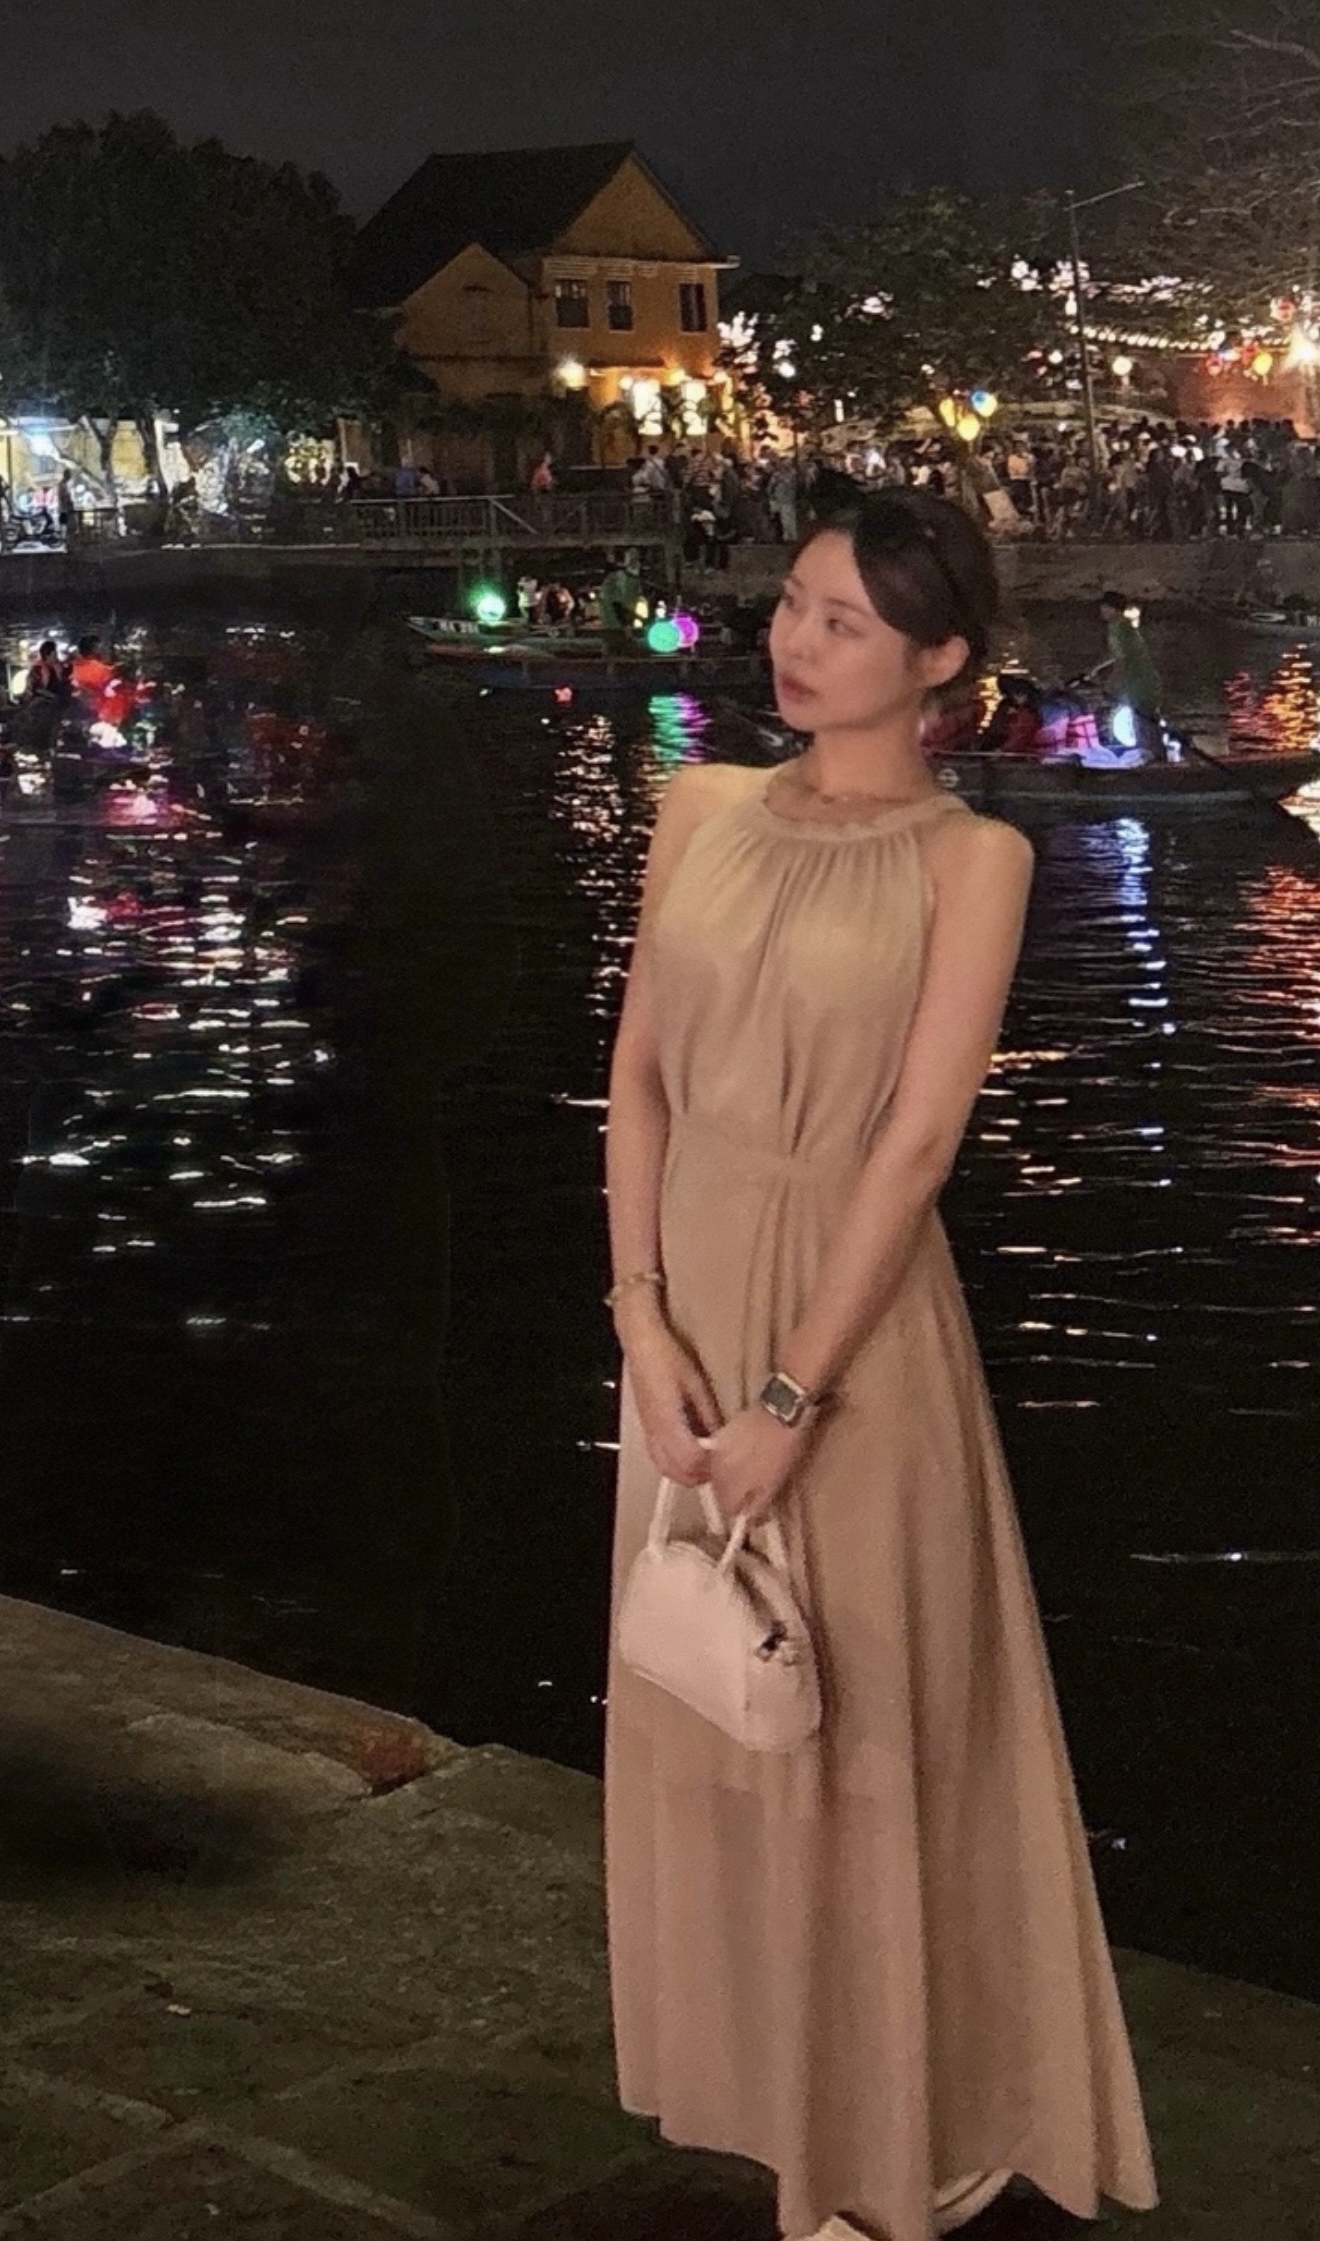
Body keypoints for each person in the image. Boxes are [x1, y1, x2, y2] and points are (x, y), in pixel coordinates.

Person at [603, 488, 1158, 2241]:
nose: (795, 639)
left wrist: (791, 1394)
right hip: (685, 1310)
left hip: (850, 1333)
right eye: (792, 602)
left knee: (866, 1720)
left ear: (939, 661)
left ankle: (896, 2130)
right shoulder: (698, 806)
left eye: (843, 620)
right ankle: (777, 2095)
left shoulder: (971, 860)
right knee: (716, 1700)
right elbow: (639, 1076)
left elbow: (916, 1147)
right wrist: (639, 1315)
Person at [1089, 592, 1164, 760]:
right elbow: (1116, 654)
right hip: (1147, 680)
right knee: (1149, 721)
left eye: (1104, 607)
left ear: (1113, 609)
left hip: (1137, 682)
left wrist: (1110, 683)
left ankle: (1150, 759)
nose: (1101, 611)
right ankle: (1158, 756)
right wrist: (1095, 668)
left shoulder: (1116, 628)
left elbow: (1121, 661)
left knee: (1142, 722)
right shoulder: (1125, 626)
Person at [980, 670, 1043, 755]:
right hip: (1010, 748)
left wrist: (1002, 750)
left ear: (1026, 696)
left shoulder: (1026, 715)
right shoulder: (1016, 710)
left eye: (1017, 694)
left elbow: (1019, 737)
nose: (1014, 697)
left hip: (1017, 753)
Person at [70, 635, 115, 701]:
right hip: (94, 700)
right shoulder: (99, 668)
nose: (102, 650)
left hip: (78, 700)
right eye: (100, 648)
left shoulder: (72, 665)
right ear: (94, 650)